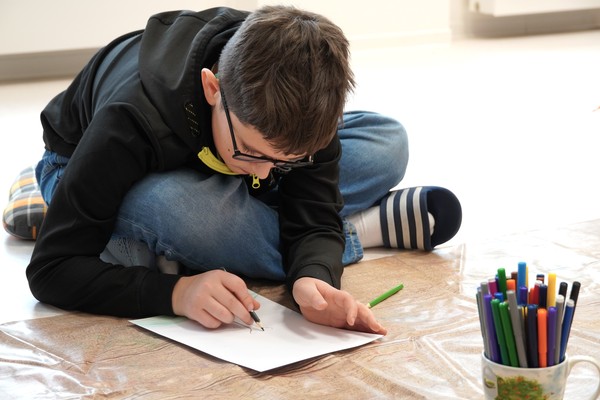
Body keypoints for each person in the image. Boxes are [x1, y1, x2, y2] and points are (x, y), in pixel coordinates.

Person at [27, 6, 461, 335]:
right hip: (86, 165)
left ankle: (209, 234)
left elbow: (301, 194)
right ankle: (362, 229)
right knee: (175, 208)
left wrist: (312, 277)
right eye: (253, 152)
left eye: (288, 162)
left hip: (217, 171)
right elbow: (52, 270)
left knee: (387, 141)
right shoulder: (130, 121)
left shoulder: (293, 117)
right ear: (212, 87)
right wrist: (177, 294)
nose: (270, 173)